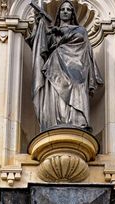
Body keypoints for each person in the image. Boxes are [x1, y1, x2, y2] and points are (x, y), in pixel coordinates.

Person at [27, 0, 102, 132]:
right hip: (55, 67)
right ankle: (53, 122)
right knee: (56, 93)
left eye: (68, 9)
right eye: (63, 9)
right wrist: (40, 25)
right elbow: (40, 47)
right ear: (59, 13)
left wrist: (61, 33)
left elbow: (79, 38)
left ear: (73, 14)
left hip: (76, 69)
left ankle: (77, 122)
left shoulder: (80, 30)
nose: (65, 12)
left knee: (76, 89)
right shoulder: (51, 31)